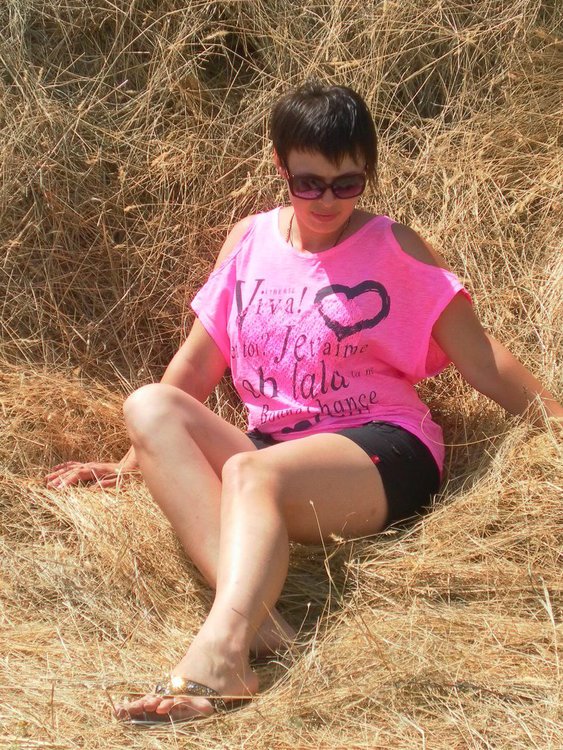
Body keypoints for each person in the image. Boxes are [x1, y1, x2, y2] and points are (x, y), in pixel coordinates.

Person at [45, 81, 562, 725]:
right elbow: (196, 365)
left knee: (250, 472)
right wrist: (132, 464)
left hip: (381, 447)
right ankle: (260, 623)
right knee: (150, 405)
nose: (327, 201)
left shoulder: (395, 246)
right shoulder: (250, 240)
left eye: (347, 184)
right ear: (280, 165)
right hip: (272, 453)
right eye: (308, 183)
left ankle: (221, 657)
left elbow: (481, 359)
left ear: (367, 173)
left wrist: (556, 424)